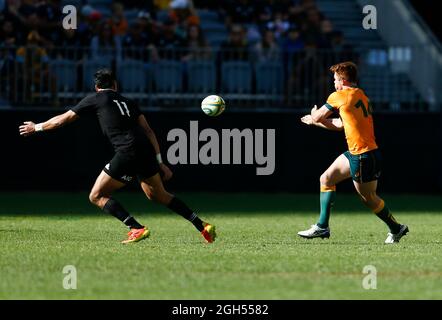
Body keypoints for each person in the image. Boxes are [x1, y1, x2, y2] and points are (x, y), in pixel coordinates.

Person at [19, 69, 217, 244]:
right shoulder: (128, 102)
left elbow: (62, 120)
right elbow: (148, 131)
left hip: (127, 151)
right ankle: (202, 226)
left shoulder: (95, 99)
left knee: (96, 195)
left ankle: (135, 228)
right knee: (158, 194)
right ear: (115, 85)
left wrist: (36, 127)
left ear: (97, 87)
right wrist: (159, 162)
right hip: (145, 150)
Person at [297, 61, 409, 244]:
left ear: (342, 80)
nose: (333, 83)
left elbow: (318, 116)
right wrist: (317, 120)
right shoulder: (361, 95)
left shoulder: (339, 95)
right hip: (358, 152)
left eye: (335, 79)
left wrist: (314, 117)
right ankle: (322, 226)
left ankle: (396, 228)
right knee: (326, 179)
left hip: (363, 156)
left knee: (369, 198)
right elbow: (341, 124)